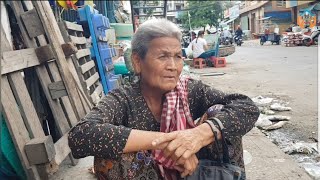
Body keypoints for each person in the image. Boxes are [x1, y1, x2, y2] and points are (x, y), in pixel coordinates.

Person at [68, 18, 260, 180]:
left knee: (220, 115)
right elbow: (81, 135)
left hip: (195, 172)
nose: (173, 66)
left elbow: (246, 106)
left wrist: (199, 135)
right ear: (137, 61)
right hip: (150, 174)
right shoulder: (123, 98)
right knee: (107, 155)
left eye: (177, 56)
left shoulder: (190, 90)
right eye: (163, 56)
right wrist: (171, 143)